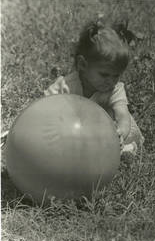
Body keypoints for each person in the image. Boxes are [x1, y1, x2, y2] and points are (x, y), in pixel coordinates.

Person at [44, 19, 144, 155]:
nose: (111, 81)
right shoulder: (66, 86)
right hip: (74, 131)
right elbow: (44, 106)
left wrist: (120, 133)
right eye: (104, 75)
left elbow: (123, 116)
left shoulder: (114, 90)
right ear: (82, 65)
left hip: (104, 134)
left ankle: (123, 150)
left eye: (116, 76)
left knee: (112, 151)